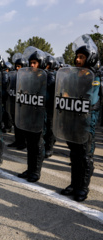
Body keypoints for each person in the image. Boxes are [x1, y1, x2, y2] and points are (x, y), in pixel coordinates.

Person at [59, 35, 101, 202]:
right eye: (77, 56)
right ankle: (74, 184)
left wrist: (71, 95)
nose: (77, 59)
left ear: (89, 58)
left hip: (86, 123)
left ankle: (82, 187)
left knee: (85, 157)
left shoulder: (95, 77)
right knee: (74, 155)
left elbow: (89, 99)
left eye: (81, 57)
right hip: (73, 121)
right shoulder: (75, 75)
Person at [17, 47, 48, 182]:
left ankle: (36, 171)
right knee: (30, 144)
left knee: (37, 144)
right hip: (29, 114)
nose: (32, 65)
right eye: (31, 62)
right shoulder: (27, 77)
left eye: (35, 62)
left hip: (40, 116)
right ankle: (30, 169)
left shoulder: (48, 78)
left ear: (40, 63)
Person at [7, 54, 27, 150]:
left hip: (23, 105)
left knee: (22, 124)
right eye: (16, 66)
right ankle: (17, 140)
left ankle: (23, 142)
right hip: (14, 103)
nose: (17, 68)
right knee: (16, 124)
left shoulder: (28, 77)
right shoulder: (14, 76)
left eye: (19, 66)